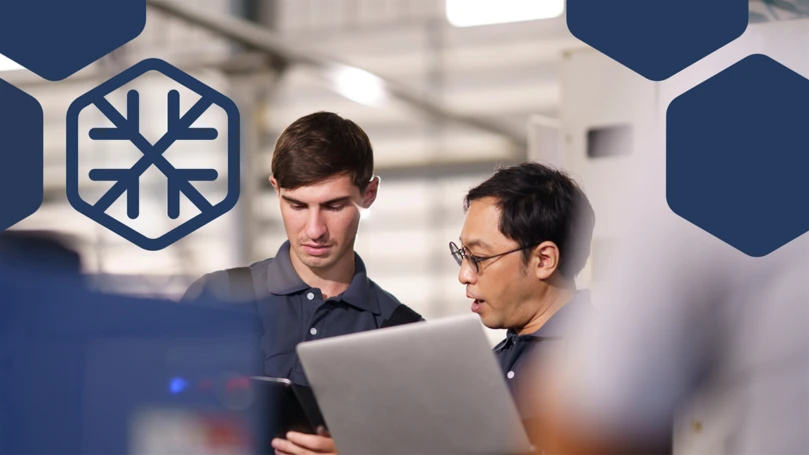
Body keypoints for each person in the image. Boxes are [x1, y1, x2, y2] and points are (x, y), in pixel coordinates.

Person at [182, 111, 423, 455]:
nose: (314, 230)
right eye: (296, 205)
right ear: (276, 189)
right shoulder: (215, 299)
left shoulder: (405, 335)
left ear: (369, 194)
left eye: (334, 206)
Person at [449, 162, 596, 425]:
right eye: (463, 254)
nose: (464, 275)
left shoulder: (606, 364)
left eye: (479, 257)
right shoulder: (485, 371)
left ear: (543, 260)